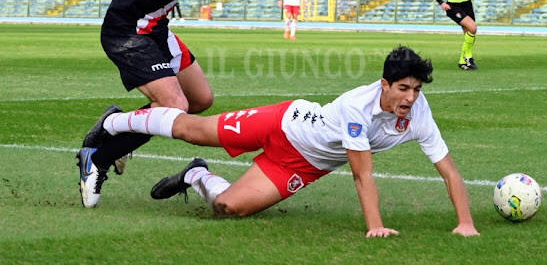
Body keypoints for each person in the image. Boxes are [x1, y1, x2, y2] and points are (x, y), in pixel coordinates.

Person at [80, 46, 480, 238]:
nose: (410, 98)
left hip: (303, 164)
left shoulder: (418, 111)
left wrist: (465, 223)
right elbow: (362, 175)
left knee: (228, 208)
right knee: (192, 128)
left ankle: (196, 175)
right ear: (385, 85)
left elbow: (448, 169)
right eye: (403, 89)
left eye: (416, 90)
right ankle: (114, 122)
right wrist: (375, 227)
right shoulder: (359, 108)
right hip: (285, 123)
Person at [76, 0, 274, 208]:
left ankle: (117, 123)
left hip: (156, 28)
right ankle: (97, 158)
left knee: (199, 100)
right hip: (128, 31)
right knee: (174, 103)